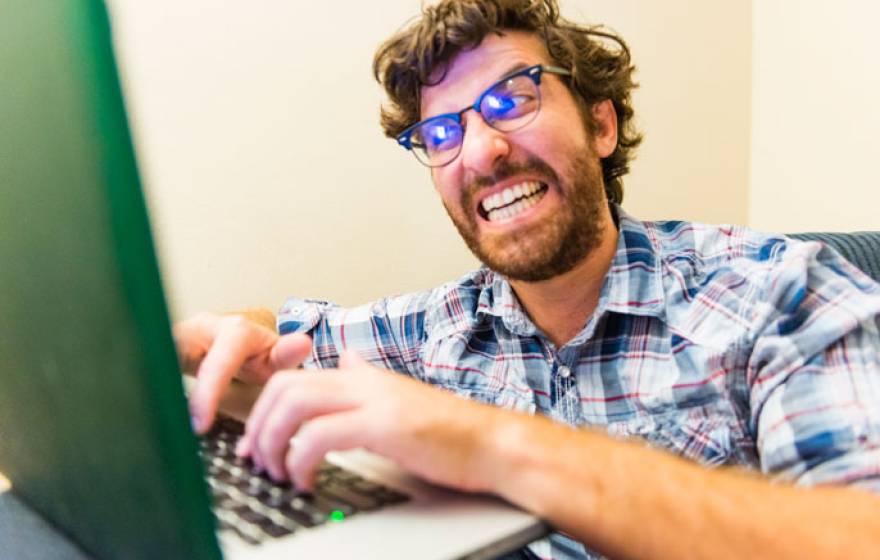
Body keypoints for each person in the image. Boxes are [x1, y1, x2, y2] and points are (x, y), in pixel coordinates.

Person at [174, 1, 880, 558]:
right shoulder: (442, 327)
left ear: (601, 125)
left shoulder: (784, 295)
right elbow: (279, 335)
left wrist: (490, 443)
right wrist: (228, 337)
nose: (481, 151)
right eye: (442, 135)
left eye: (514, 100)